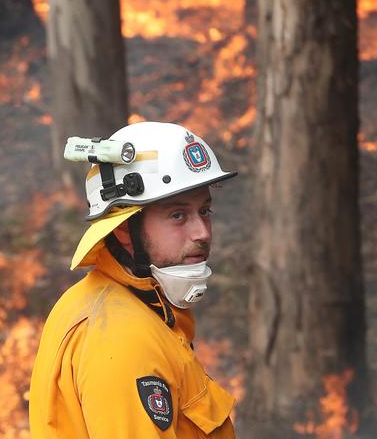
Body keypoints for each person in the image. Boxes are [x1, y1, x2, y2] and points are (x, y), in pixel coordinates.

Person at [29, 121, 238, 438]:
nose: (202, 232)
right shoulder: (120, 336)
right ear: (125, 228)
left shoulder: (128, 304)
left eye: (204, 210)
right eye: (178, 215)